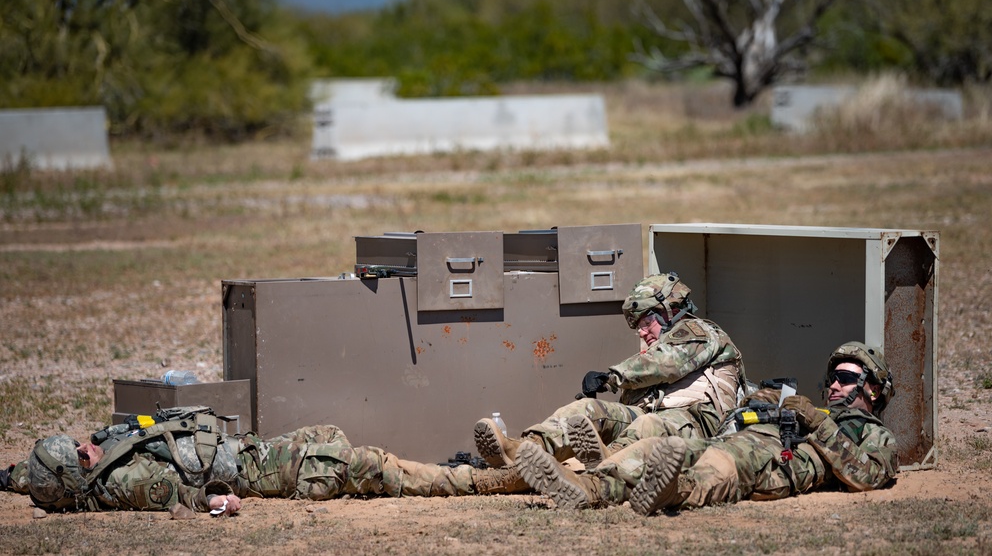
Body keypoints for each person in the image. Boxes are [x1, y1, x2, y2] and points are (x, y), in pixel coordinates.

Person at [514, 341, 898, 514]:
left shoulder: (873, 434)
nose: (833, 384)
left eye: (846, 378)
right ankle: (590, 484)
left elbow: (868, 475)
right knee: (655, 452)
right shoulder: (812, 409)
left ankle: (665, 491)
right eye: (833, 376)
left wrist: (818, 426)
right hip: (731, 437)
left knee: (702, 474)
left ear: (874, 388)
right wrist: (759, 401)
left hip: (768, 462)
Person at [474, 272, 747, 473]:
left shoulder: (701, 333)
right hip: (654, 420)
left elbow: (666, 363)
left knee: (646, 425)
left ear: (670, 310)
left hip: (696, 427)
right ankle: (522, 449)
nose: (641, 331)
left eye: (646, 321)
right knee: (587, 410)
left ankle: (606, 463)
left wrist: (611, 377)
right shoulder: (657, 349)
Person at [1, 410, 526, 515]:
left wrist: (10, 478)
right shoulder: (128, 483)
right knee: (376, 466)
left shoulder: (60, 481)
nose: (85, 445)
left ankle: (446, 471)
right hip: (270, 472)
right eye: (78, 453)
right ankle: (492, 479)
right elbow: (178, 495)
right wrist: (215, 499)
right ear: (75, 475)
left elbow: (33, 477)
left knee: (331, 433)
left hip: (258, 451)